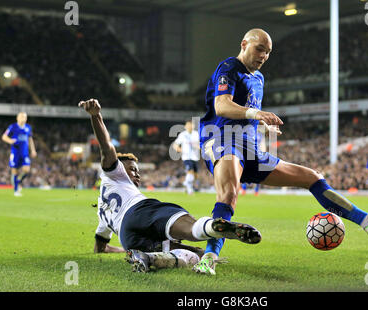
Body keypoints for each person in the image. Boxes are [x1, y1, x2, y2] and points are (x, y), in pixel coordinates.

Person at [196, 28, 368, 275]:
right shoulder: (229, 68)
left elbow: (246, 113)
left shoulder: (259, 80)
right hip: (222, 141)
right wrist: (256, 113)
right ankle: (208, 258)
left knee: (312, 177)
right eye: (259, 48)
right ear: (244, 44)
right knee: (229, 193)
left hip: (250, 148)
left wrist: (261, 124)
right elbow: (222, 106)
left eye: (268, 52)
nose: (264, 55)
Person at [79, 98, 261, 274]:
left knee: (196, 254)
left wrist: (122, 249)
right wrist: (96, 116)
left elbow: (99, 247)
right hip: (141, 212)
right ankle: (212, 227)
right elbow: (107, 147)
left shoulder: (102, 211)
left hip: (128, 237)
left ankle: (148, 258)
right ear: (119, 167)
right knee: (192, 228)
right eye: (132, 169)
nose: (137, 174)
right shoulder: (113, 173)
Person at [1, 112, 37, 196]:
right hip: (15, 152)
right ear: (17, 118)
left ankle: (17, 181)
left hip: (25, 153)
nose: (23, 118)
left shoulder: (28, 128)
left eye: (24, 117)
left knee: (26, 170)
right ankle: (16, 190)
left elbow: (30, 139)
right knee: (15, 171)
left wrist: (33, 150)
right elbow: (4, 136)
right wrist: (10, 141)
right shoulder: (12, 127)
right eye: (21, 116)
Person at [172, 120, 200, 194]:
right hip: (186, 157)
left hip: (195, 157)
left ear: (193, 126)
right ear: (185, 126)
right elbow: (175, 144)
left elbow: (200, 144)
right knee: (190, 171)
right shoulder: (182, 135)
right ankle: (190, 189)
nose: (190, 126)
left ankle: (186, 182)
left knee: (196, 176)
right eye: (188, 125)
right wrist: (180, 150)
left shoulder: (196, 134)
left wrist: (198, 147)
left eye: (191, 125)